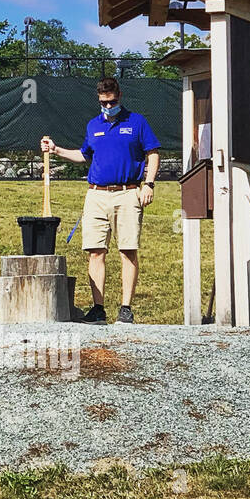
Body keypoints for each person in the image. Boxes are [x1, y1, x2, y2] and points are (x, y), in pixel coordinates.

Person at [41, 76, 160, 324]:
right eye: (104, 103)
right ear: (98, 100)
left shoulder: (137, 122)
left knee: (128, 250)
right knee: (95, 251)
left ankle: (126, 308)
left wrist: (148, 184)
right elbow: (84, 155)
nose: (108, 107)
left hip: (128, 193)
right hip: (95, 194)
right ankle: (98, 308)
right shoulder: (93, 125)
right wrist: (56, 149)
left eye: (112, 102)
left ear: (120, 97)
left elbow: (153, 153)